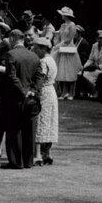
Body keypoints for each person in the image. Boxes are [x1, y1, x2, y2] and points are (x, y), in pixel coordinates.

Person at [0, 29, 41, 169]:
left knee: (14, 129)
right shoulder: (34, 56)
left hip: (15, 97)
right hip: (31, 98)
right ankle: (28, 160)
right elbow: (39, 77)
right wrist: (33, 91)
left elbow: (12, 77)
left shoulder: (10, 54)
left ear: (12, 38)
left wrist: (23, 92)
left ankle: (16, 161)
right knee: (29, 129)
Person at [31, 33, 59, 165]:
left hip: (44, 92)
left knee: (41, 120)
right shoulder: (52, 59)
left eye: (36, 48)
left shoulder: (43, 61)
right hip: (51, 91)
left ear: (42, 49)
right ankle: (47, 153)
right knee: (50, 120)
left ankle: (37, 154)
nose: (34, 50)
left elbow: (40, 79)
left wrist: (35, 92)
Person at [52, 8, 81, 99]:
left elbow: (68, 40)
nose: (61, 15)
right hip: (62, 49)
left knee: (70, 71)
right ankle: (64, 92)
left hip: (69, 49)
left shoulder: (72, 25)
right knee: (62, 71)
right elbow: (59, 33)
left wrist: (59, 45)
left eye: (62, 14)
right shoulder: (63, 25)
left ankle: (71, 93)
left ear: (66, 16)